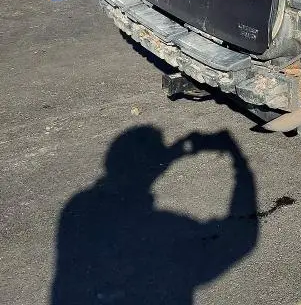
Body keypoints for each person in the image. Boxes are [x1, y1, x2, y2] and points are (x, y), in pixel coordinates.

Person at [51, 126, 257, 304]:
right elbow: (242, 240)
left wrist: (172, 153)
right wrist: (239, 161)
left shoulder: (78, 206)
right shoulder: (164, 228)